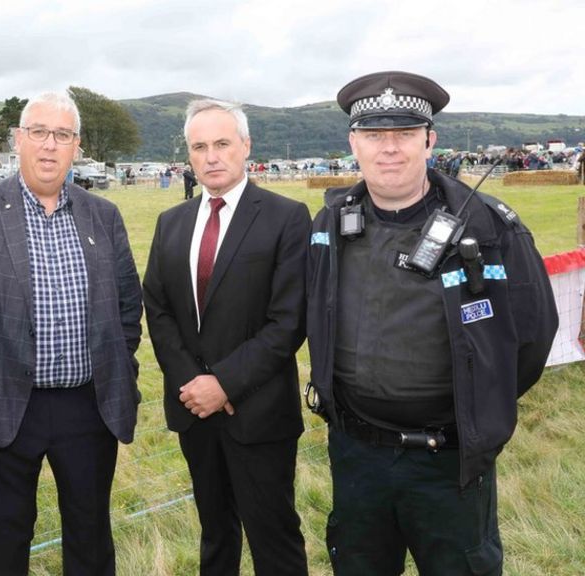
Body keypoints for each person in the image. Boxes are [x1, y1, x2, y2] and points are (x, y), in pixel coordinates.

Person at [305, 71, 559, 576]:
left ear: (429, 140)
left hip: (450, 460)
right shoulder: (330, 224)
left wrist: (478, 404)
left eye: (403, 134)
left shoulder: (488, 227)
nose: (389, 149)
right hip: (357, 455)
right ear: (354, 142)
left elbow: (533, 336)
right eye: (375, 135)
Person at [0, 91, 142, 576]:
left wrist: (115, 370)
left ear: (76, 145)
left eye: (62, 135)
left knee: (90, 533)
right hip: (6, 406)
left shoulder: (104, 215)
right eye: (39, 132)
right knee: (3, 537)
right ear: (18, 140)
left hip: (87, 407)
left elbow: (126, 309)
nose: (49, 146)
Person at [142, 99, 310, 575]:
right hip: (195, 411)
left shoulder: (286, 217)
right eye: (200, 147)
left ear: (246, 147)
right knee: (216, 534)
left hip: (258, 413)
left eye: (221, 144)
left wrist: (225, 385)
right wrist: (193, 384)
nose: (211, 157)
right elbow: (157, 309)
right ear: (189, 155)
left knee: (273, 536)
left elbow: (288, 321)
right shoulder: (170, 223)